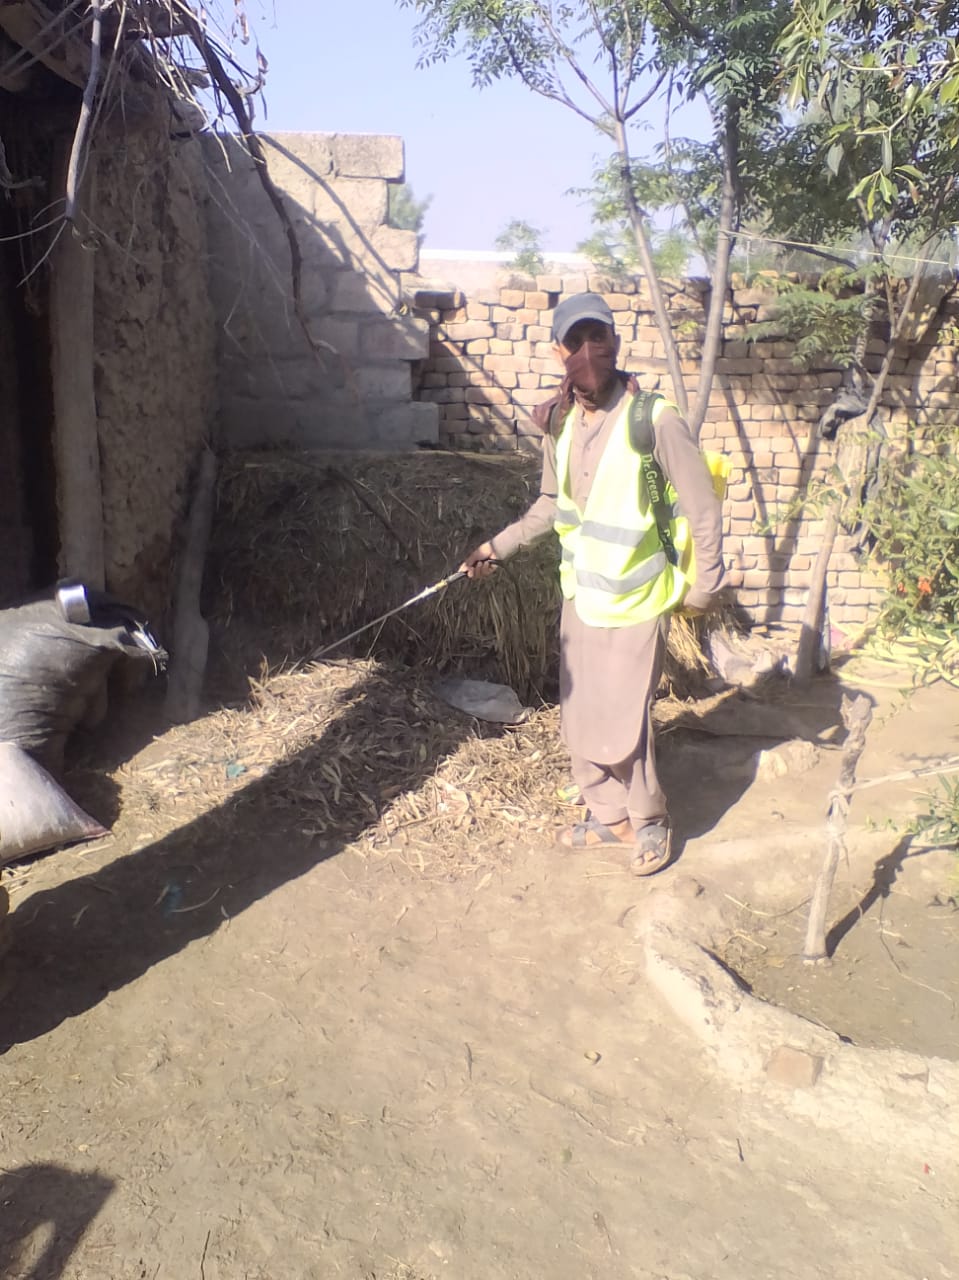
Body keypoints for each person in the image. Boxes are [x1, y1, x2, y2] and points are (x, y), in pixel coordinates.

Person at [460, 292, 725, 875]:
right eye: (575, 341)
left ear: (615, 343)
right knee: (580, 719)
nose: (588, 352)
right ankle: (609, 819)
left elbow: (702, 505)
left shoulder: (652, 418)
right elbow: (552, 506)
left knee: (624, 720)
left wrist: (706, 583)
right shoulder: (558, 421)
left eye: (597, 338)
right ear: (558, 351)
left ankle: (650, 820)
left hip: (638, 597)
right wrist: (495, 547)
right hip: (581, 595)